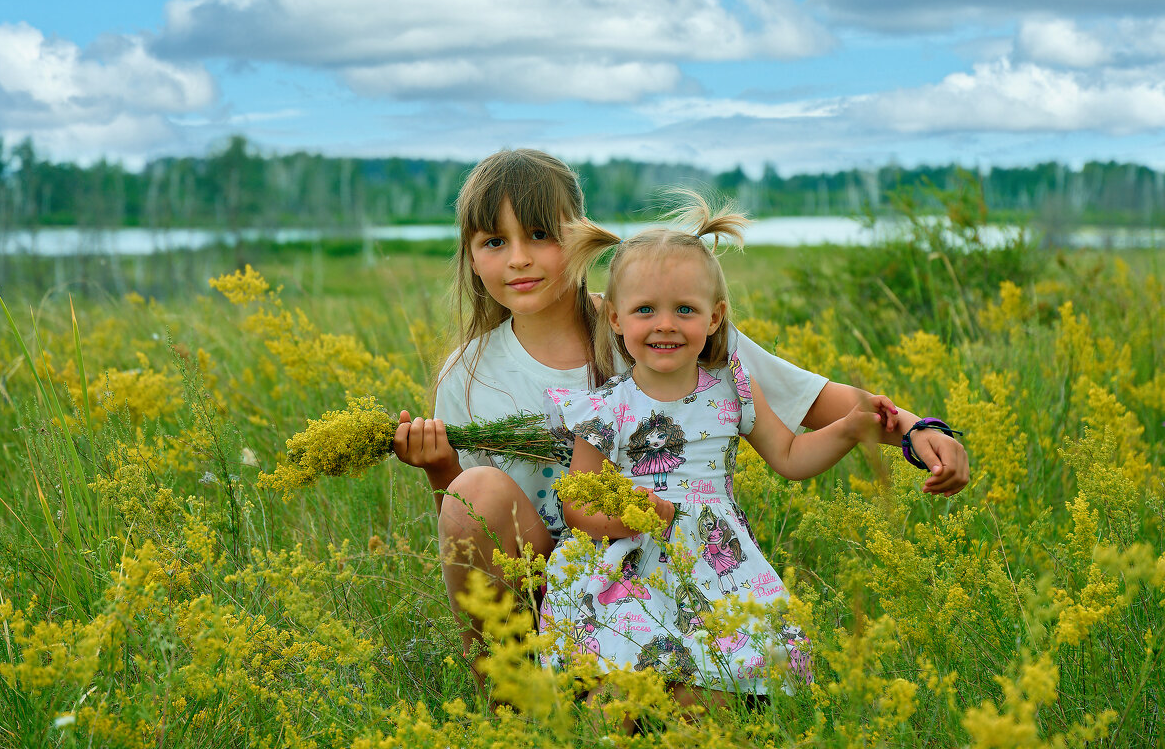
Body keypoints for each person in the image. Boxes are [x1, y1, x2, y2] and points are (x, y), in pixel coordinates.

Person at [391, 148, 968, 687]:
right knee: (476, 487)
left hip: (674, 571)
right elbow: (467, 534)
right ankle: (514, 696)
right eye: (494, 241)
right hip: (554, 582)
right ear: (470, 254)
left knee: (696, 700)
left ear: (581, 238)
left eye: (540, 235)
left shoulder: (656, 327)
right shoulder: (469, 374)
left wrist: (919, 431)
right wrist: (440, 471)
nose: (518, 258)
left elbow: (815, 400)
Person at [538, 200, 899, 707]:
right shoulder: (603, 409)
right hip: (626, 559)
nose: (666, 324)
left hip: (715, 557)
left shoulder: (733, 390)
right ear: (616, 319)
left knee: (744, 673)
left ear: (715, 318)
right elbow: (575, 504)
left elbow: (791, 456)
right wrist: (624, 517)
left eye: (685, 309)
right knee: (615, 672)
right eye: (646, 310)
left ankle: (692, 710)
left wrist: (849, 429)